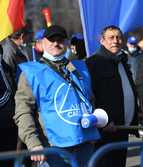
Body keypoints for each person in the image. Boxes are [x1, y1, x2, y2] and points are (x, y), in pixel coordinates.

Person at [14, 25, 100, 167]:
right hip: (53, 148)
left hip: (85, 144)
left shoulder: (80, 68)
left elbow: (90, 100)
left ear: (66, 43)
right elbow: (23, 112)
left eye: (60, 39)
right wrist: (33, 144)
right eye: (51, 39)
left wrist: (94, 126)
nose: (55, 43)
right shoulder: (31, 73)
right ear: (42, 43)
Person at [86, 25, 139, 167]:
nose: (115, 41)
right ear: (102, 41)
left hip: (122, 129)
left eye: (118, 37)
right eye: (111, 38)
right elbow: (88, 97)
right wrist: (101, 123)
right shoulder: (93, 63)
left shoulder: (122, 60)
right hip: (105, 132)